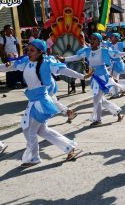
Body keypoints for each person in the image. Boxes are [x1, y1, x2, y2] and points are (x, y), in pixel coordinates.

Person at [0, 39, 92, 167]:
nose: (28, 52)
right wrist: (5, 65)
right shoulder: (25, 62)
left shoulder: (47, 63)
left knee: (30, 130)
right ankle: (69, 147)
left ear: (40, 52)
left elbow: (64, 70)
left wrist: (82, 76)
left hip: (41, 101)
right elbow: (8, 67)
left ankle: (33, 157)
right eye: (28, 50)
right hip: (33, 101)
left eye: (32, 50)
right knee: (42, 130)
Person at [57, 33, 125, 127]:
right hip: (94, 78)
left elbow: (115, 54)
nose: (92, 40)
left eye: (94, 39)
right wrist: (64, 59)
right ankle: (117, 111)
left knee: (96, 99)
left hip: (102, 78)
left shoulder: (103, 51)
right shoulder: (87, 51)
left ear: (99, 41)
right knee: (101, 99)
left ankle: (97, 119)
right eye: (91, 39)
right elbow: (76, 57)